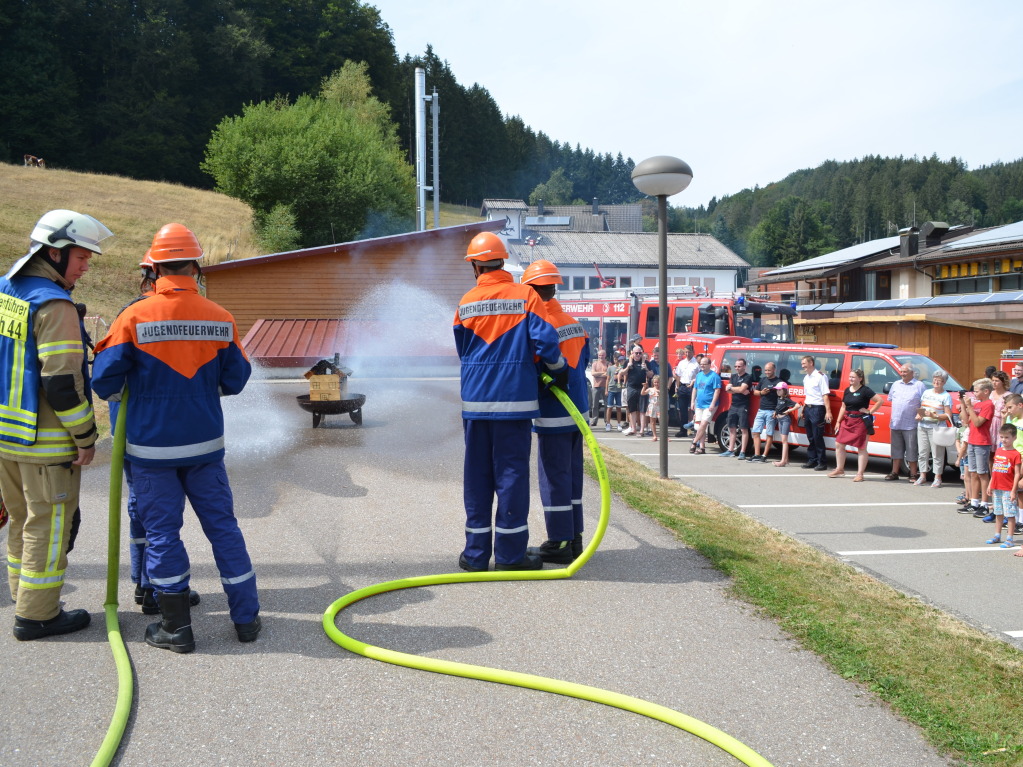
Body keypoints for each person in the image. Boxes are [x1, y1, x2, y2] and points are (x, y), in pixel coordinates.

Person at [92, 223, 259, 653]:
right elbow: (237, 380)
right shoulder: (219, 317)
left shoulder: (133, 316)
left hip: (150, 451)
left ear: (155, 266)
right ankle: (246, 620)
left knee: (164, 534)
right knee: (224, 529)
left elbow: (104, 379)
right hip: (205, 447)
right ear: (195, 264)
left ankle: (176, 629)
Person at [1, 210, 111, 641]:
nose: (86, 266)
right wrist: (86, 437)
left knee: (22, 521)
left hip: (7, 436)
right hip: (44, 443)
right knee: (48, 530)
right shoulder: (54, 304)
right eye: (82, 256)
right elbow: (63, 384)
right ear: (54, 251)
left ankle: (23, 597)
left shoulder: (8, 290)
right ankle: (38, 616)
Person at [451, 233, 566, 572]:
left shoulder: (466, 302)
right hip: (515, 401)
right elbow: (547, 344)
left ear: (475, 265)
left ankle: (474, 556)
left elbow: (464, 351)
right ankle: (510, 557)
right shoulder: (526, 295)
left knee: (477, 477)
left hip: (474, 402)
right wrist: (556, 371)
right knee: (511, 476)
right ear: (502, 261)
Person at [520, 260, 589, 565]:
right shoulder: (574, 322)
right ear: (554, 287)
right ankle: (574, 539)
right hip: (579, 413)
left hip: (554, 412)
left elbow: (537, 368)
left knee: (554, 478)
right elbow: (582, 363)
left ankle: (559, 543)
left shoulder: (539, 325)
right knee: (573, 477)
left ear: (531, 289)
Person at [829, 369, 883, 482]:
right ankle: (839, 469)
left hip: (860, 421)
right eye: (849, 377)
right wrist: (838, 421)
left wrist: (869, 411)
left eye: (853, 377)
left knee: (861, 447)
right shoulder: (847, 390)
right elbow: (843, 407)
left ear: (860, 379)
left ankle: (860, 474)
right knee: (839, 443)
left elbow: (879, 401)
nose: (850, 379)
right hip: (847, 420)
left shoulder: (865, 390)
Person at [884, 363, 926, 481]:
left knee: (912, 450)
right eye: (901, 372)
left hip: (911, 424)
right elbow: (891, 399)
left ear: (912, 373)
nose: (902, 374)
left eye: (905, 372)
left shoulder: (919, 385)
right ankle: (894, 472)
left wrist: (920, 415)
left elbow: (924, 403)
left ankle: (913, 474)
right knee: (896, 449)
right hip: (896, 422)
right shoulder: (896, 385)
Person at [961, 379, 995, 518]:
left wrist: (970, 407)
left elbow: (978, 422)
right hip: (972, 440)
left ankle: (984, 504)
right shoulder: (978, 404)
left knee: (982, 473)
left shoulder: (988, 405)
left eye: (977, 391)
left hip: (982, 441)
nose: (974, 393)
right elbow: (966, 421)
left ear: (986, 391)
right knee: (973, 472)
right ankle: (974, 502)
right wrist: (964, 405)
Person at [914, 371, 955, 487]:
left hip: (936, 428)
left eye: (939, 380)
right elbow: (922, 407)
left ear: (944, 382)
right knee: (922, 452)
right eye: (935, 379)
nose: (936, 382)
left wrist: (935, 416)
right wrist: (919, 414)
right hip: (922, 426)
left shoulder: (946, 396)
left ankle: (937, 477)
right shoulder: (926, 392)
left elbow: (948, 415)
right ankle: (922, 476)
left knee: (937, 453)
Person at [985, 423, 1021, 548]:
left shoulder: (1015, 454)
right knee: (998, 512)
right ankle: (997, 535)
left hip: (1008, 489)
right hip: (997, 488)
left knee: (1010, 514)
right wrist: (990, 484)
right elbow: (995, 469)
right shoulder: (999, 451)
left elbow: (1017, 474)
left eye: (1007, 437)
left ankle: (1010, 538)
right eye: (1002, 437)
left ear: (1014, 438)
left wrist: (1013, 490)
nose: (1004, 440)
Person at [800, 355, 832, 471]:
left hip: (817, 409)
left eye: (804, 363)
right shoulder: (806, 378)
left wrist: (828, 412)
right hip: (808, 408)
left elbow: (825, 395)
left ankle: (822, 462)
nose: (802, 366)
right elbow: (807, 396)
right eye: (802, 364)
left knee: (818, 436)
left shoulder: (820, 377)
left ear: (811, 363)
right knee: (810, 436)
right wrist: (804, 409)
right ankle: (812, 460)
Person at [719, 358, 752, 458]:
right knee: (732, 428)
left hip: (743, 406)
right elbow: (727, 389)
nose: (737, 368)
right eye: (736, 366)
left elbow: (741, 388)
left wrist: (735, 389)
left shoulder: (748, 377)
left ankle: (742, 452)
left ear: (744, 366)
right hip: (733, 405)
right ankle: (730, 450)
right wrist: (739, 390)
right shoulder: (733, 376)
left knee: (743, 429)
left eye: (739, 366)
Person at [689, 356, 721, 455]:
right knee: (699, 427)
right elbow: (695, 389)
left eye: (704, 364)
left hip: (710, 405)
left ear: (709, 365)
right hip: (699, 404)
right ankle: (702, 448)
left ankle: (694, 442)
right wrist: (692, 402)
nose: (702, 365)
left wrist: (712, 403)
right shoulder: (699, 375)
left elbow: (717, 390)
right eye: (701, 363)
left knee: (703, 424)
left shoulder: (714, 376)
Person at [750, 361, 781, 463]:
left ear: (774, 370)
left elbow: (782, 397)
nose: (767, 372)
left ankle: (764, 455)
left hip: (771, 411)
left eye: (769, 370)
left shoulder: (779, 382)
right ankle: (757, 454)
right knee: (755, 432)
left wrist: (777, 411)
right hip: (761, 410)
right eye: (766, 370)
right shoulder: (763, 380)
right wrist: (761, 392)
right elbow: (755, 392)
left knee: (769, 434)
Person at [621, 346, 649, 436]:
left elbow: (651, 374)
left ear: (642, 353)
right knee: (632, 409)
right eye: (636, 353)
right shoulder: (628, 362)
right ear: (632, 353)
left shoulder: (646, 362)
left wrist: (646, 369)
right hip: (631, 387)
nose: (638, 355)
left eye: (640, 353)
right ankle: (633, 428)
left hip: (642, 387)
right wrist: (628, 367)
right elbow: (622, 373)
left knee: (642, 409)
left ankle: (641, 430)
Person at [771, 382, 799, 467]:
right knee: (783, 440)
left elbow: (797, 405)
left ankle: (783, 461)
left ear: (784, 390)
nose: (778, 392)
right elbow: (778, 407)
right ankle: (785, 460)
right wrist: (775, 412)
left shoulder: (787, 400)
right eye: (777, 390)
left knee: (784, 441)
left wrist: (789, 411)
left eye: (780, 390)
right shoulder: (779, 399)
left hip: (785, 419)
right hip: (780, 419)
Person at [673, 345, 698, 438]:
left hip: (692, 387)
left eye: (689, 352)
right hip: (682, 387)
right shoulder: (681, 363)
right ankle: (682, 430)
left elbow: (699, 376)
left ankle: (696, 430)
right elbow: (678, 376)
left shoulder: (696, 364)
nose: (687, 354)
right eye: (686, 352)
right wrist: (677, 387)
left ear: (693, 352)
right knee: (682, 410)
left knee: (694, 410)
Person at [589, 348, 609, 427]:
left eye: (602, 355)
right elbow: (593, 373)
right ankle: (594, 420)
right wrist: (602, 373)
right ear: (598, 355)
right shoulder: (595, 364)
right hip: (596, 386)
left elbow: (608, 374)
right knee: (594, 405)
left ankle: (606, 420)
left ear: (605, 355)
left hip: (605, 386)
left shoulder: (608, 364)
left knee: (607, 405)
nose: (601, 356)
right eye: (600, 355)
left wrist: (599, 374)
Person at [605, 354, 625, 431]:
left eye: (618, 359)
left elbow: (624, 377)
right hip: (611, 389)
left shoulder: (621, 368)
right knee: (609, 407)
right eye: (615, 359)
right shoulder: (610, 368)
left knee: (619, 408)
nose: (616, 361)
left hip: (619, 390)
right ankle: (608, 423)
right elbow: (607, 379)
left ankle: (619, 424)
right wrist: (606, 390)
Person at [643, 375, 663, 441]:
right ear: (653, 383)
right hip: (652, 406)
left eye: (658, 382)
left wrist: (660, 393)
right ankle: (654, 435)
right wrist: (644, 387)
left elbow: (664, 398)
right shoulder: (650, 389)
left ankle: (664, 436)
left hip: (660, 407)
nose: (656, 384)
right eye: (655, 382)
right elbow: (642, 393)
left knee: (662, 422)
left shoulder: (662, 390)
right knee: (652, 422)